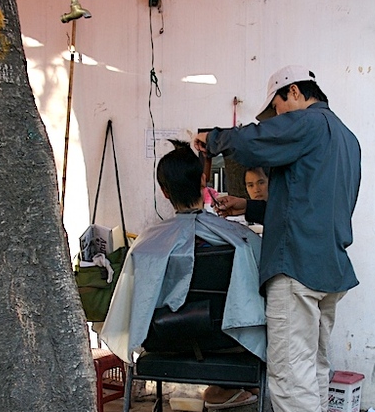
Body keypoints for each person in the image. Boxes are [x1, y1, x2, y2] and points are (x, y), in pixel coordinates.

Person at [194, 65, 361, 412]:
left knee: (290, 369)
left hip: (297, 265)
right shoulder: (346, 138)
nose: (278, 122)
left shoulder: (307, 123)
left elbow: (253, 144)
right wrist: (246, 206)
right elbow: (306, 204)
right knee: (315, 365)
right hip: (328, 267)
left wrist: (213, 138)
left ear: (294, 92)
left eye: (278, 111)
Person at [101, 143, 266, 391]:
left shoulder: (145, 247)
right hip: (229, 340)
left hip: (165, 341)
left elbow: (133, 307)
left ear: (164, 192)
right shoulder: (241, 242)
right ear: (203, 180)